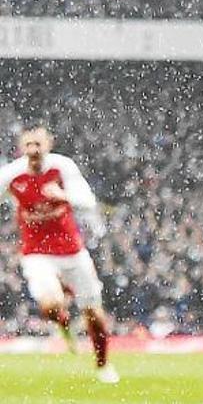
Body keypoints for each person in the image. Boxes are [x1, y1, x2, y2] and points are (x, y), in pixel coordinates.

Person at [0, 127, 118, 384]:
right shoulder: (12, 174)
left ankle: (103, 365)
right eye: (28, 145)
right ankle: (62, 322)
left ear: (48, 145)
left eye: (38, 144)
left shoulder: (62, 167)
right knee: (50, 306)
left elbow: (87, 201)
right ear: (22, 148)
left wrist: (63, 195)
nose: (33, 150)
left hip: (71, 251)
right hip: (36, 253)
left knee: (94, 315)